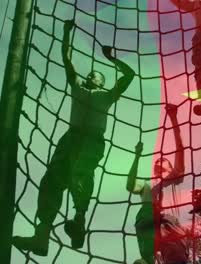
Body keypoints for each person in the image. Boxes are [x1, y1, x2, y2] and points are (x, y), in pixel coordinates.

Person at [12, 20, 135, 256]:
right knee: (52, 181)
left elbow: (129, 75)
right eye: (90, 74)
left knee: (81, 175)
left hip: (92, 140)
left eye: (96, 75)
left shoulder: (107, 96)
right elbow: (66, 59)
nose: (91, 76)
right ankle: (42, 236)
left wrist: (112, 59)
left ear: (103, 82)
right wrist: (66, 33)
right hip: (71, 138)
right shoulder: (77, 87)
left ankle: (79, 220)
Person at [127, 104, 189, 264]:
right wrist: (136, 156)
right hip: (147, 220)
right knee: (145, 261)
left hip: (168, 221)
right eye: (157, 160)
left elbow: (180, 149)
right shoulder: (147, 184)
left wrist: (174, 119)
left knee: (176, 259)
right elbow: (130, 185)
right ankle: (149, 259)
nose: (159, 160)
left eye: (164, 160)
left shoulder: (174, 176)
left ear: (170, 167)